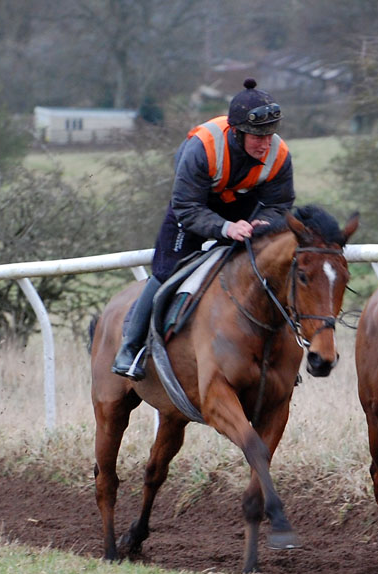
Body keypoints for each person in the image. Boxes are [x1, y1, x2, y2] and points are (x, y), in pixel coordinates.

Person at [112, 78, 295, 379]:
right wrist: (225, 228)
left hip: (242, 206)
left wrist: (267, 223)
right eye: (257, 137)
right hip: (193, 207)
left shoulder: (279, 154)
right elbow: (186, 207)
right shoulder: (202, 148)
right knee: (166, 269)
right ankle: (132, 347)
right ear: (236, 132)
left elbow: (281, 205)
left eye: (270, 135)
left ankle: (275, 353)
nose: (265, 144)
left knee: (268, 265)